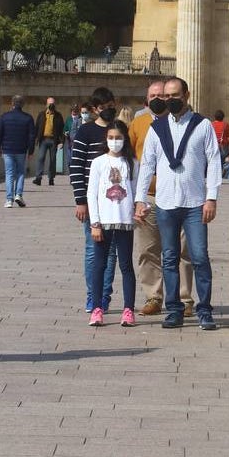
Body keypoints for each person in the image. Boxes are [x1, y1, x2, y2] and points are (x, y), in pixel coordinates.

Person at [135, 75, 221, 331]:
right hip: (165, 203)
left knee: (199, 256)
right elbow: (147, 165)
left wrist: (211, 198)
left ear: (187, 96)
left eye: (175, 96)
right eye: (167, 96)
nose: (170, 100)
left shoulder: (202, 125)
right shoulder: (157, 128)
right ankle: (174, 310)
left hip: (194, 203)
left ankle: (204, 310)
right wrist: (140, 199)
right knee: (169, 258)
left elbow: (213, 161)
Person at [129, 79, 195, 316]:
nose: (158, 99)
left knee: (183, 250)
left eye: (162, 95)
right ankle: (153, 296)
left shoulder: (181, 124)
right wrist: (135, 197)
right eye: (153, 96)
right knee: (148, 249)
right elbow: (130, 158)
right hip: (150, 197)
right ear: (147, 100)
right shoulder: (138, 124)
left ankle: (184, 299)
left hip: (180, 197)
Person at [70, 86, 119, 312]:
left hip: (115, 201)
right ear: (95, 109)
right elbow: (77, 166)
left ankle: (104, 296)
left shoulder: (118, 131)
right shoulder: (86, 131)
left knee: (111, 252)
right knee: (92, 248)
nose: (108, 110)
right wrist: (80, 200)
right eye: (104, 107)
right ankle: (93, 295)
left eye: (111, 106)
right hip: (93, 201)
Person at [86, 120, 137, 328]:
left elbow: (136, 191)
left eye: (118, 138)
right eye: (111, 137)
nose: (114, 141)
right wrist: (95, 223)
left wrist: (139, 208)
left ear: (125, 139)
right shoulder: (99, 162)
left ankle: (128, 309)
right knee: (100, 265)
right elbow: (92, 193)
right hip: (104, 221)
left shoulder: (131, 163)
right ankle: (97, 308)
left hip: (124, 220)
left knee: (126, 265)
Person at [0, 95, 35, 207]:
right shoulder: (28, 118)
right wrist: (31, 151)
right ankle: (18, 194)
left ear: (12, 104)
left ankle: (9, 200)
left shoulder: (4, 117)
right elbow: (31, 136)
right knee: (20, 172)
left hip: (7, 149)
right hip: (21, 149)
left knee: (9, 173)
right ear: (22, 104)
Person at [33, 96, 64, 186]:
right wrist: (35, 138)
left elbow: (62, 129)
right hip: (43, 140)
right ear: (46, 104)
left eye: (52, 104)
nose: (51, 105)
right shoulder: (41, 114)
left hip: (53, 140)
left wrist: (61, 142)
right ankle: (38, 178)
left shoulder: (58, 115)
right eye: (50, 103)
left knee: (53, 159)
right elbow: (37, 127)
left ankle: (51, 178)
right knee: (41, 157)